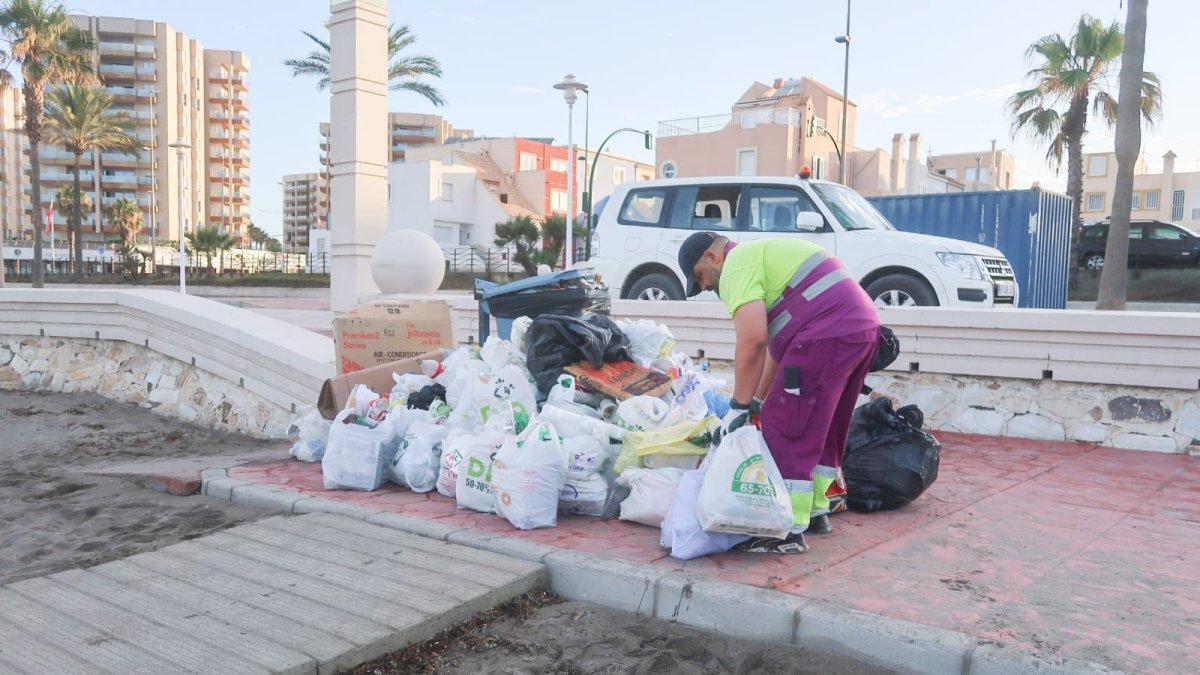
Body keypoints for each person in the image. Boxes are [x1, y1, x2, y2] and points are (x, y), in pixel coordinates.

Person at [678, 232, 881, 554]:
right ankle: (816, 514)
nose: (704, 287)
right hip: (861, 331)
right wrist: (756, 402)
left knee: (788, 426)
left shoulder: (736, 267)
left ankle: (784, 530)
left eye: (699, 277)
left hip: (825, 334)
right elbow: (776, 347)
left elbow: (753, 341)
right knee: (823, 426)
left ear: (712, 257)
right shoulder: (765, 259)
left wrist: (737, 406)